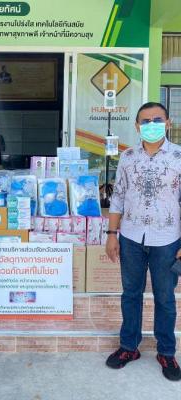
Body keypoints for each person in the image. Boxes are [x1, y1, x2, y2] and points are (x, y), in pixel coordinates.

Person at [106, 102, 181, 381]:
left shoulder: (178, 156)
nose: (151, 125)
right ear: (137, 126)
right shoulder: (127, 157)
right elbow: (118, 197)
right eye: (145, 121)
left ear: (168, 123)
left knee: (165, 298)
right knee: (131, 294)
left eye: (157, 120)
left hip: (167, 240)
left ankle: (166, 352)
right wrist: (111, 234)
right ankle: (129, 347)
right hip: (131, 238)